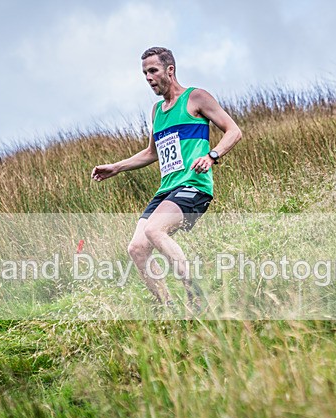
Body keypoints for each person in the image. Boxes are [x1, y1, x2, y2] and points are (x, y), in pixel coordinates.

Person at [91, 46, 242, 312]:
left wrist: (212, 155)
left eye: (153, 71)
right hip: (167, 189)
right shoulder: (156, 111)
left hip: (194, 185)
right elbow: (152, 152)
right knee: (136, 248)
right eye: (144, 73)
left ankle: (196, 294)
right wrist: (117, 167)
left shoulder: (196, 98)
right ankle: (168, 308)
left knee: (154, 230)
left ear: (169, 70)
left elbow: (234, 130)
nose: (148, 78)